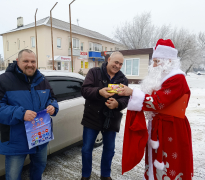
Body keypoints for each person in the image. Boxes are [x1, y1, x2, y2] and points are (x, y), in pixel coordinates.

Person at [119, 39, 193, 180]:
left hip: (172, 128)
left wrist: (132, 93)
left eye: (156, 61)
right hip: (159, 125)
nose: (153, 65)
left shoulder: (177, 78)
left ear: (168, 61)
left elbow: (159, 102)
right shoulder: (162, 78)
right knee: (155, 160)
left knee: (171, 163)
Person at [0, 49, 59, 180]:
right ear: (18, 61)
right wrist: (21, 113)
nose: (30, 64)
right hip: (16, 140)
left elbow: (51, 98)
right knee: (13, 176)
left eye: (33, 61)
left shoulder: (42, 80)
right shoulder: (2, 81)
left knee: (40, 166)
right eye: (26, 61)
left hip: (40, 138)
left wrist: (53, 106)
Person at [81, 51, 130, 180]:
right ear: (108, 60)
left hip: (111, 118)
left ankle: (105, 175)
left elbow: (126, 99)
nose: (118, 66)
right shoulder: (94, 72)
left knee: (109, 149)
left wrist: (117, 104)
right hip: (92, 116)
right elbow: (85, 90)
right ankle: (85, 175)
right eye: (116, 62)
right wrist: (99, 92)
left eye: (120, 64)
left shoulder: (123, 79)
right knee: (86, 149)